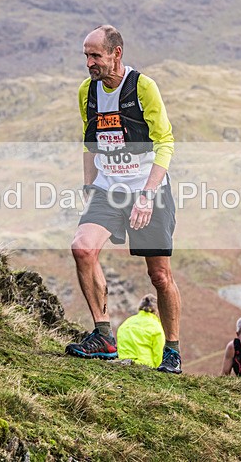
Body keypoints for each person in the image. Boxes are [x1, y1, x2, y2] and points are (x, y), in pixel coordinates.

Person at [66, 25, 182, 374]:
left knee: (159, 275)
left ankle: (172, 351)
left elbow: (165, 142)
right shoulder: (87, 91)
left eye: (95, 55)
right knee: (82, 248)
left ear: (116, 53)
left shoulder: (142, 87)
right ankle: (103, 334)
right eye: (86, 55)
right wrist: (89, 187)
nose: (89, 62)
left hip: (148, 187)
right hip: (108, 189)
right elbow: (89, 142)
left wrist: (147, 194)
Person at [116, 294, 166, 368]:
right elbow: (160, 355)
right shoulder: (156, 327)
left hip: (122, 365)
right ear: (158, 310)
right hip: (146, 367)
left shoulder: (126, 323)